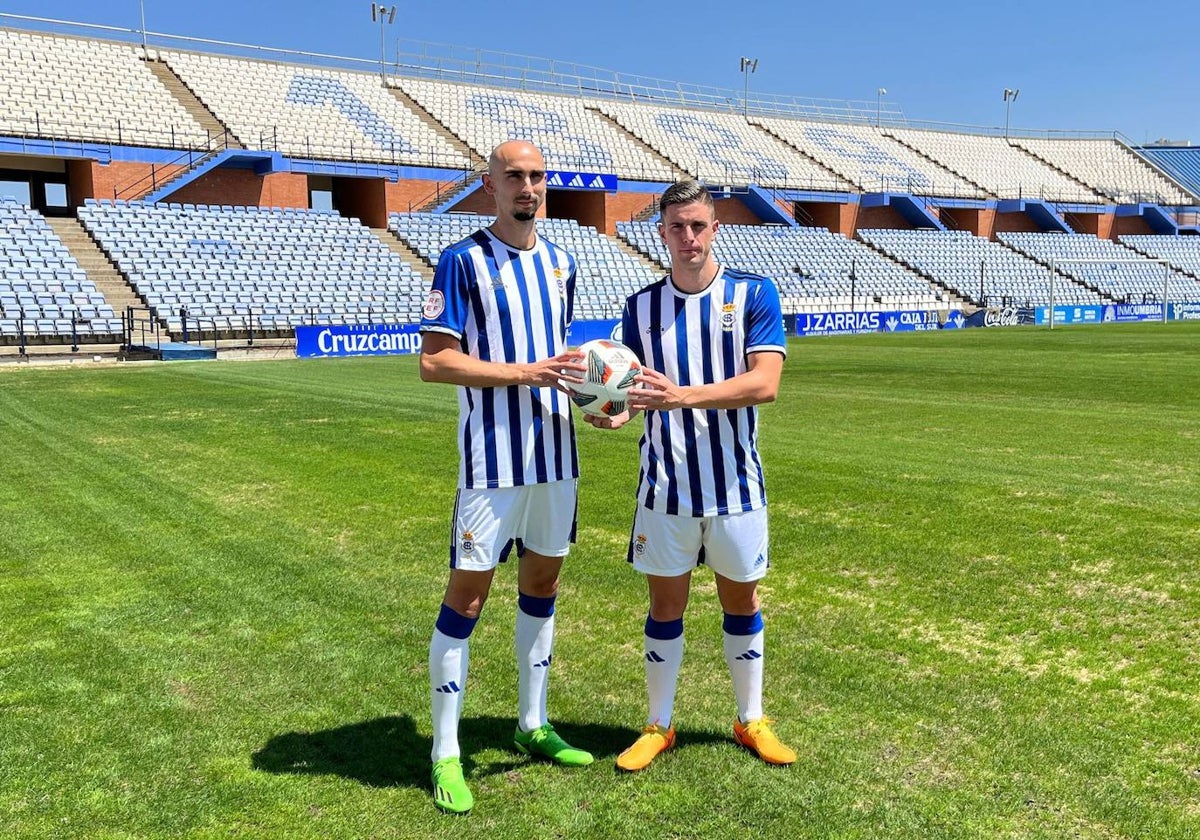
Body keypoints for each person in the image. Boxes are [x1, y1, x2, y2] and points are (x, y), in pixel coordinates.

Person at [585, 180, 795, 771]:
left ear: (715, 229)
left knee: (742, 599)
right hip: (665, 489)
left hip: (735, 487)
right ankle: (658, 724)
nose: (689, 237)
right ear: (662, 233)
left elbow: (765, 384)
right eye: (677, 226)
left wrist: (684, 396)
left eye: (699, 225)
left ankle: (751, 719)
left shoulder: (752, 294)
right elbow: (631, 391)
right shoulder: (640, 306)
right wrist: (617, 412)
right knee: (664, 605)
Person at [419, 140, 593, 814]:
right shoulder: (463, 260)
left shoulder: (561, 262)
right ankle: (445, 752)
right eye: (514, 176)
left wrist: (596, 405)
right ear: (489, 185)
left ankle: (532, 723)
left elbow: (564, 362)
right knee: (466, 600)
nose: (529, 187)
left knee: (543, 585)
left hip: (556, 458)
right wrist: (525, 372)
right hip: (491, 464)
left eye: (538, 176)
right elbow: (436, 363)